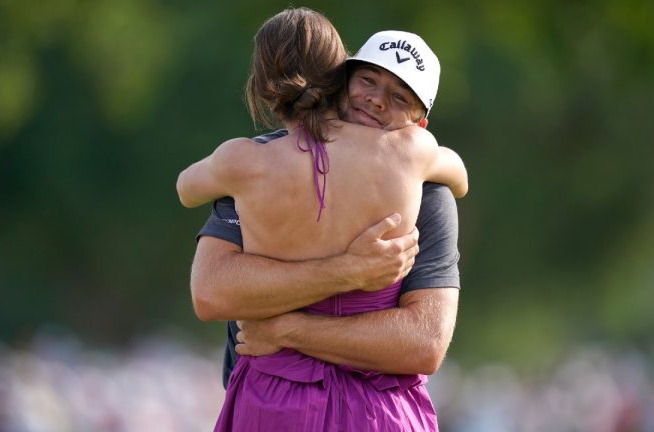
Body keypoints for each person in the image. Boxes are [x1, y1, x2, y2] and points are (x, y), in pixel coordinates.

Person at [179, 8, 466, 431]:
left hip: (274, 399)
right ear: (340, 79)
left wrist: (288, 331)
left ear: (418, 123)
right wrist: (348, 270)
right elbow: (211, 293)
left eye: (399, 97)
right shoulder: (418, 158)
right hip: (379, 414)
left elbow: (424, 344)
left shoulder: (246, 165)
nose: (377, 99)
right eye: (368, 81)